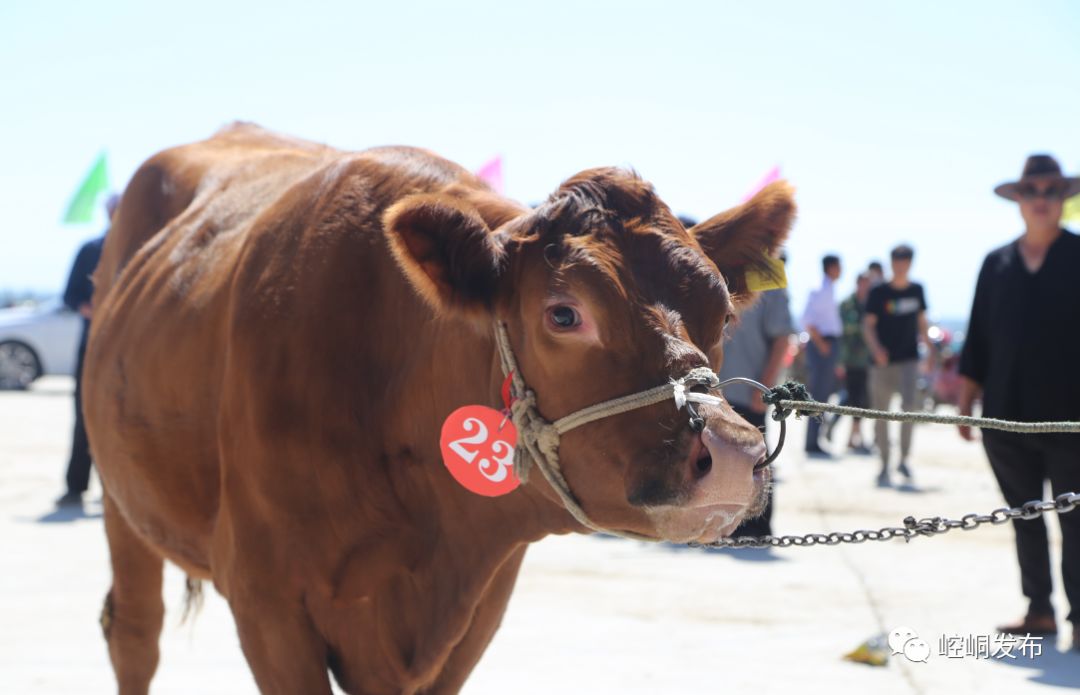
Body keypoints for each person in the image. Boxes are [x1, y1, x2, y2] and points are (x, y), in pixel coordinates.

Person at [958, 154, 1080, 647]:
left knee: (1077, 522)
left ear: (1064, 200)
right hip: (1005, 418)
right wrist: (965, 403)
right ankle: (1039, 610)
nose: (1042, 199)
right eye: (1033, 190)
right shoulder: (997, 263)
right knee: (1024, 516)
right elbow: (979, 341)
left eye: (1051, 191)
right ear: (1020, 200)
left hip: (1072, 421)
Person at [718, 277, 794, 537]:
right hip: (712, 390)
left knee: (756, 457)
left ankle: (757, 528)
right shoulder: (709, 259)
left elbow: (783, 337)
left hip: (747, 388)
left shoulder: (768, 275)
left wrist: (765, 386)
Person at [55, 194, 117, 508]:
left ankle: (118, 492)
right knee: (83, 416)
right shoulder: (90, 249)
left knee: (124, 419)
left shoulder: (145, 250)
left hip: (128, 352)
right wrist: (86, 307)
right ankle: (75, 487)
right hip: (91, 347)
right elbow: (69, 295)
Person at [863, 244, 931, 486]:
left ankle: (903, 459)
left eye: (905, 261)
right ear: (892, 263)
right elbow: (868, 325)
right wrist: (876, 349)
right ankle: (883, 463)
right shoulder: (878, 291)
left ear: (910, 263)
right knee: (881, 414)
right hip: (882, 363)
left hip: (909, 359)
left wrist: (931, 351)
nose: (901, 265)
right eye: (897, 261)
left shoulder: (917, 290)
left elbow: (922, 321)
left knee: (910, 409)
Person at [827, 272, 873, 453]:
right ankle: (853, 437)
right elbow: (842, 333)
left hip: (868, 360)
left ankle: (854, 436)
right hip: (851, 360)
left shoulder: (871, 304)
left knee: (862, 400)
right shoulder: (847, 305)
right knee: (853, 398)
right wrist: (839, 361)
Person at [801, 254, 842, 456]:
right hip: (822, 345)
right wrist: (821, 343)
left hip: (825, 344)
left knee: (823, 394)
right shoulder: (821, 289)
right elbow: (807, 320)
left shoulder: (828, 289)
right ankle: (811, 442)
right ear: (831, 267)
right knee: (818, 394)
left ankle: (814, 439)